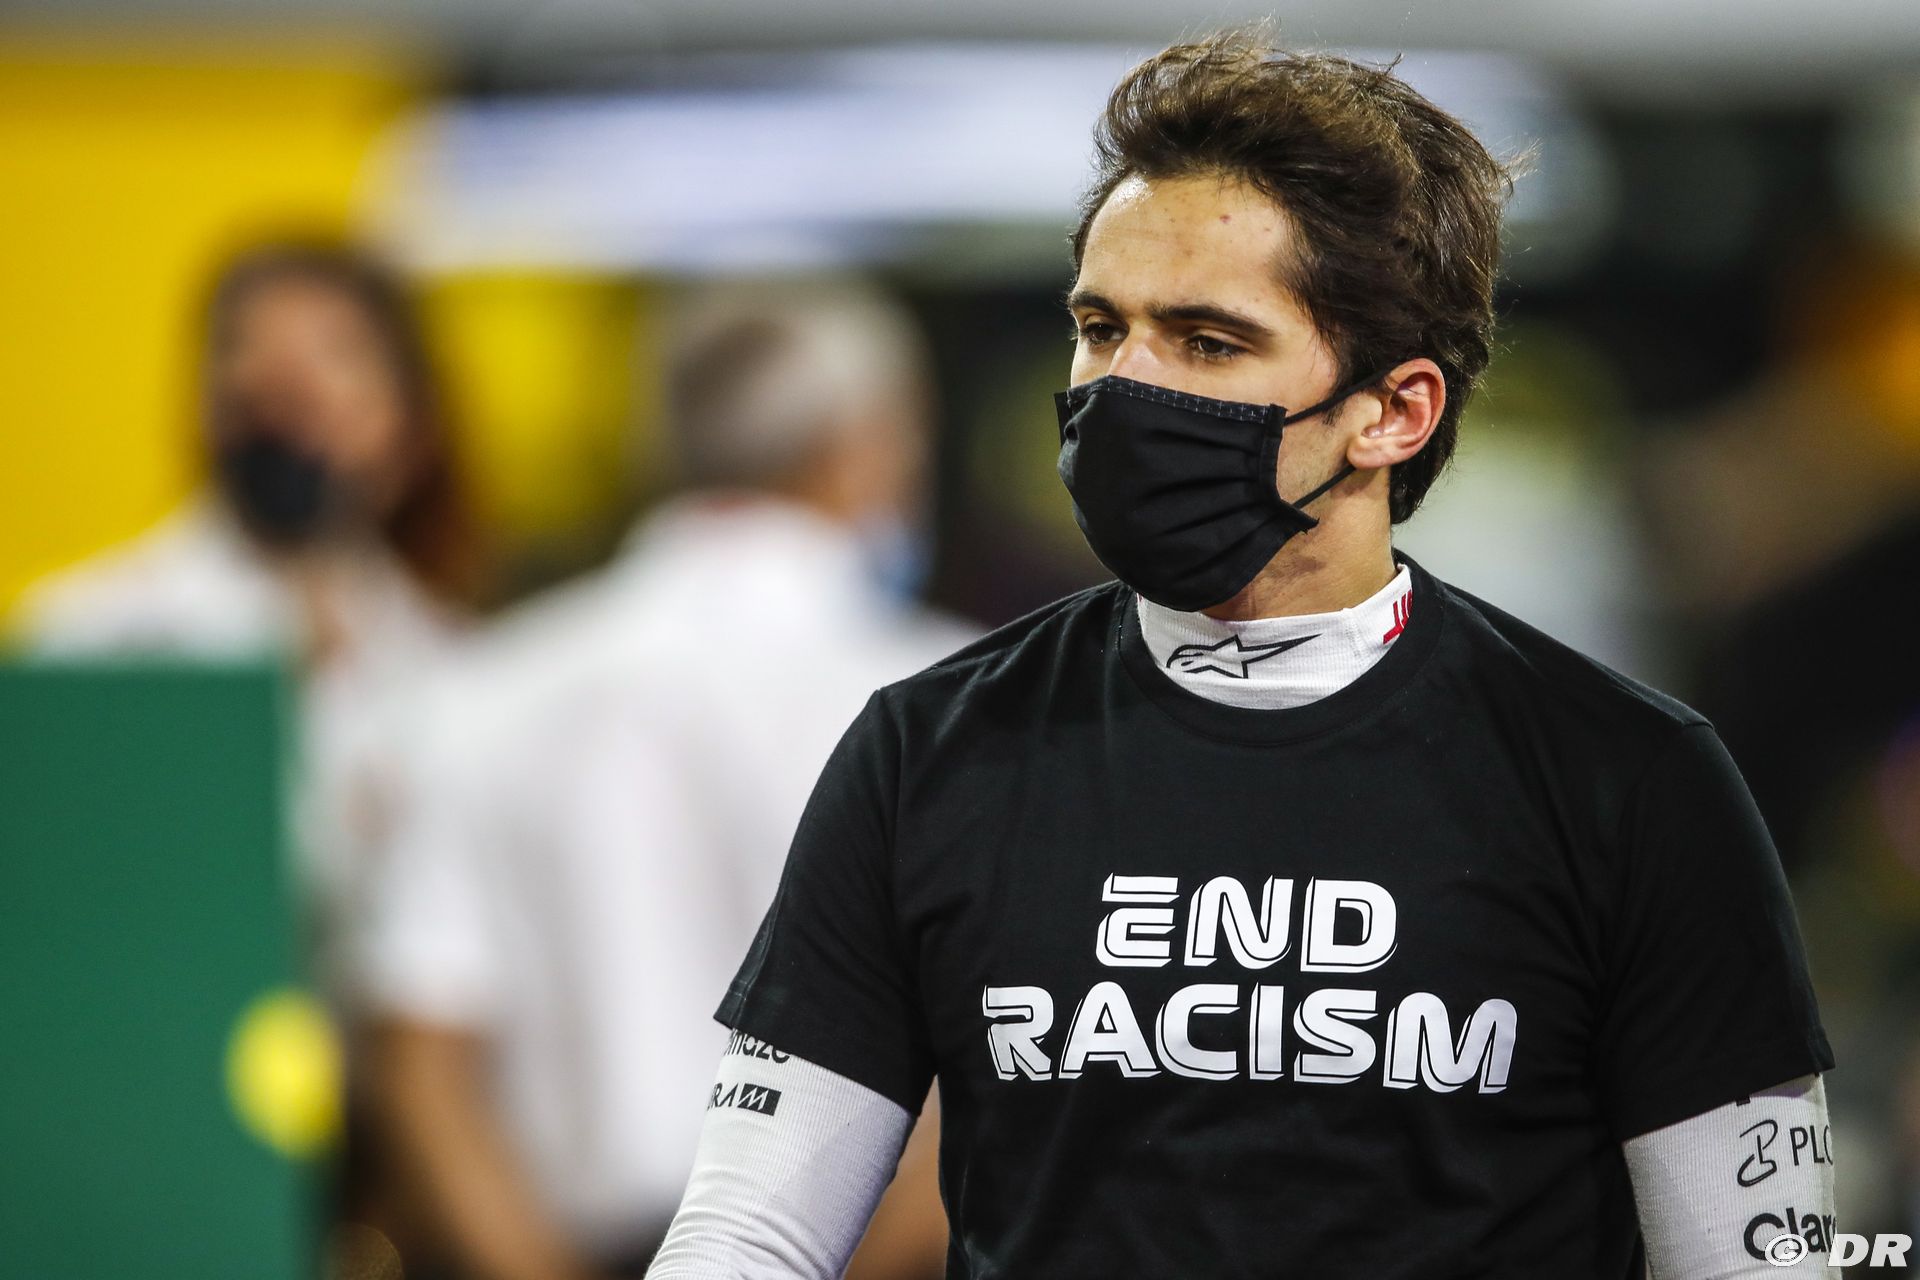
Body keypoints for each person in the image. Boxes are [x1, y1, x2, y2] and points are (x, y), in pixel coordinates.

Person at [646, 31, 1839, 1280]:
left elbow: (1760, 1263)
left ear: (1394, 411)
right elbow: (749, 1232)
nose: (1123, 384)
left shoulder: (1626, 780)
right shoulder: (930, 749)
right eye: (1100, 326)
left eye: (1207, 341)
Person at [354, 278, 974, 1280]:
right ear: (859, 447)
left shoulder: (480, 696)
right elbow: (991, 1065)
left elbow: (427, 1061)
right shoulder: (961, 703)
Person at [12, 241, 479, 977]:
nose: (283, 388)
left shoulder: (462, 667)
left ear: (412, 422)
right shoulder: (86, 640)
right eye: (246, 354)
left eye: (334, 357)